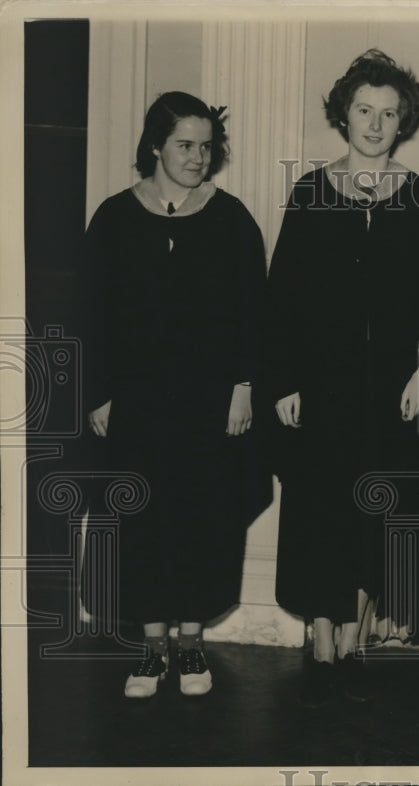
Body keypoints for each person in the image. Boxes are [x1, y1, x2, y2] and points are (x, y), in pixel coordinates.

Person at [264, 49, 419, 708]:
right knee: (320, 510)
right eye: (364, 110)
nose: (375, 123)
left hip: (393, 394)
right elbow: (281, 296)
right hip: (323, 387)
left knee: (379, 507)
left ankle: (357, 634)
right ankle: (321, 633)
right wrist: (284, 381)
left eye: (389, 113)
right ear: (344, 115)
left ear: (404, 122)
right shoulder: (312, 193)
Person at [82, 91, 271, 698]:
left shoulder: (232, 218)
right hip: (137, 403)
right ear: (156, 146)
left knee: (203, 520)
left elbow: (254, 315)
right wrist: (99, 393)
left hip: (209, 404)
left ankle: (191, 646)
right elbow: (93, 314)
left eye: (206, 147)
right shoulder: (113, 217)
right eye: (185, 145)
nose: (196, 157)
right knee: (141, 522)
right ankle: (152, 646)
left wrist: (243, 388)